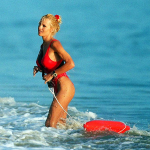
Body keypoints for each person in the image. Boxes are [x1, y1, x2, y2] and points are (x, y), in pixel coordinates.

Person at [33, 14, 75, 128]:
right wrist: (39, 68)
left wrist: (52, 74)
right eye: (39, 24)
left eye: (44, 26)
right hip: (57, 89)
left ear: (51, 29)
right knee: (60, 125)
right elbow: (51, 64)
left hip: (65, 87)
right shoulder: (43, 46)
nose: (40, 27)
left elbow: (71, 63)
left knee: (49, 124)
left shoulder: (55, 44)